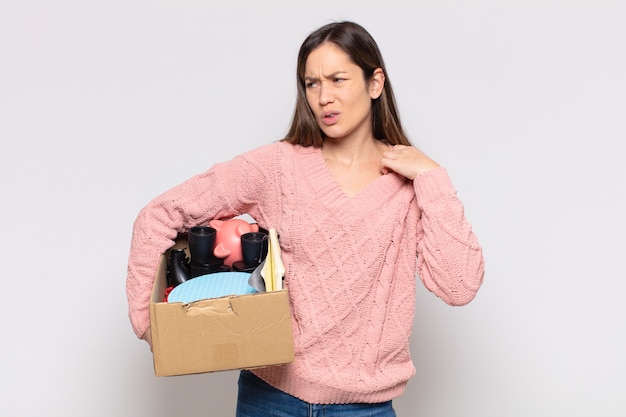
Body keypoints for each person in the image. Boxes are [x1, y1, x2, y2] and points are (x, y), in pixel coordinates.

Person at [126, 20, 484, 417]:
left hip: (365, 408)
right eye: (311, 84)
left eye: (337, 79)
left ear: (375, 83)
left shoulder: (412, 185)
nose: (324, 97)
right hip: (270, 400)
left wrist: (434, 178)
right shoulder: (277, 167)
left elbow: (459, 285)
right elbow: (158, 215)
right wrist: (148, 322)